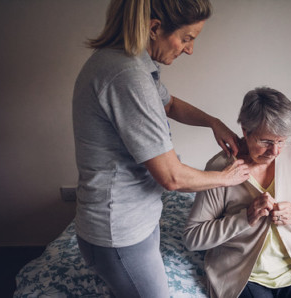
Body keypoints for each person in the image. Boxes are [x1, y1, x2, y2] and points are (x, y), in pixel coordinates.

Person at [72, 0, 249, 297]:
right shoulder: (127, 76)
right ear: (155, 28)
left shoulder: (130, 63)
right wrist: (227, 177)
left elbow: (168, 103)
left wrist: (212, 122)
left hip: (129, 220)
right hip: (119, 231)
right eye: (186, 38)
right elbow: (171, 177)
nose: (190, 49)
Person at [183, 87, 291, 298]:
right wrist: (244, 218)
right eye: (266, 141)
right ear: (246, 131)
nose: (274, 151)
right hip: (243, 275)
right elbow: (193, 238)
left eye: (281, 141)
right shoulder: (220, 168)